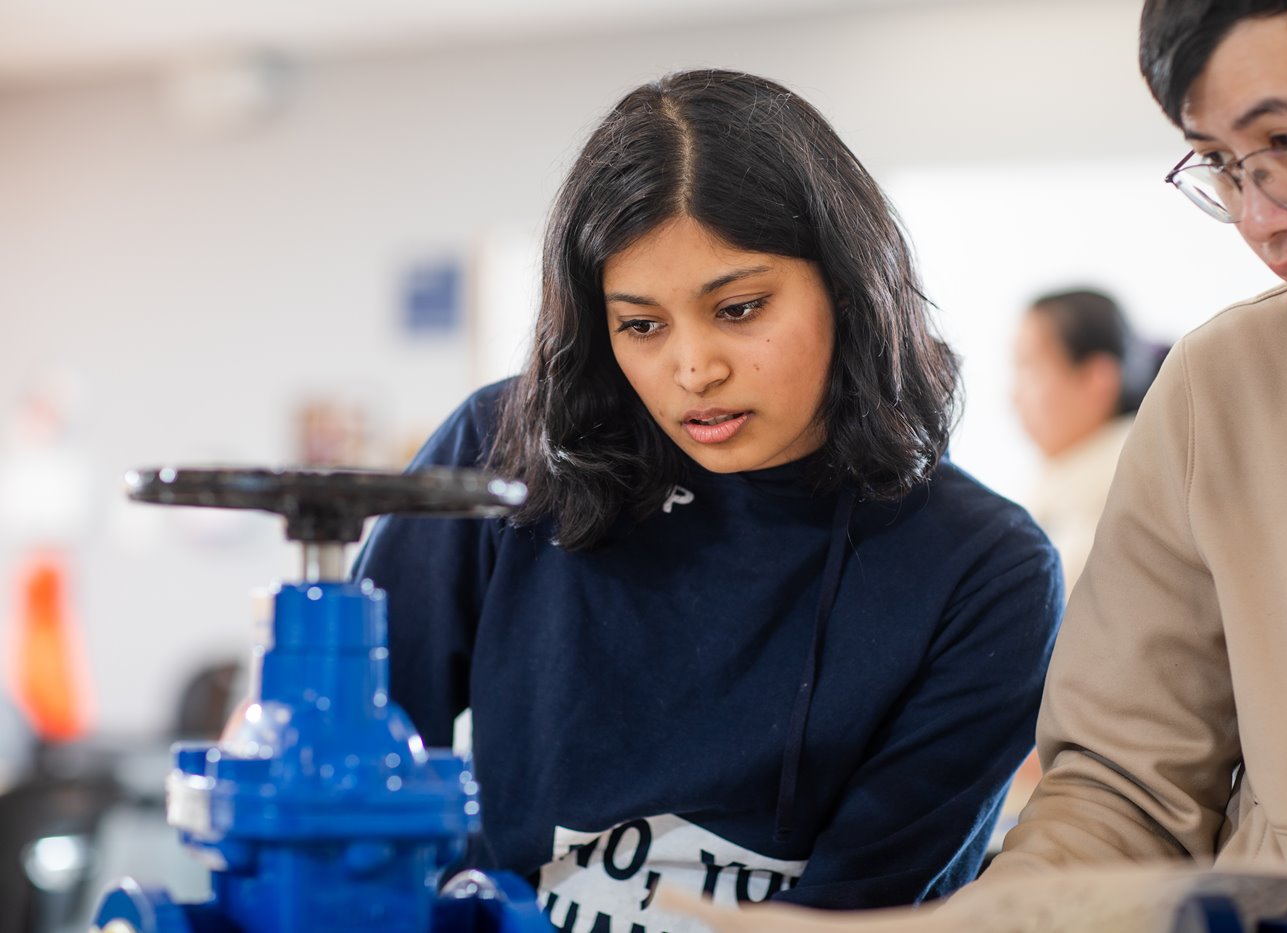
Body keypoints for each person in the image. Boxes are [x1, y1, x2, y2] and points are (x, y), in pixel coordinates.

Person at [665, 0, 1287, 928]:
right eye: (1220, 163)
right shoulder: (1224, 386)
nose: (1258, 216)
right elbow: (1123, 789)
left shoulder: (983, 554)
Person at [352, 69, 1061, 931]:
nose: (693, 370)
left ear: (849, 289)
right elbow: (358, 776)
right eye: (641, 325)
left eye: (740, 307)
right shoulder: (505, 454)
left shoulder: (987, 568)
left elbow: (864, 903)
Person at [1012, 288, 1167, 596]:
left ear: (1097, 379)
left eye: (1030, 368)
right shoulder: (1064, 496)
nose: (1014, 396)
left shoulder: (1123, 503)